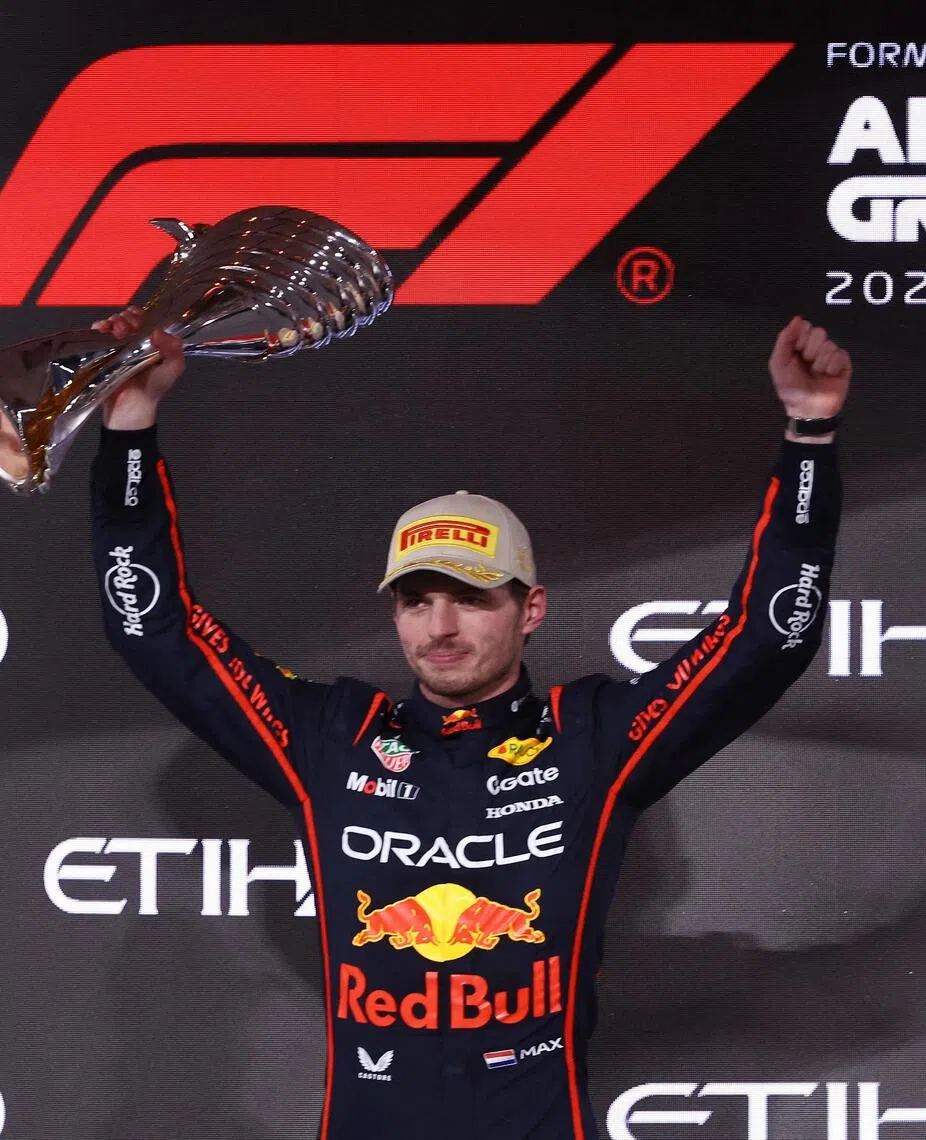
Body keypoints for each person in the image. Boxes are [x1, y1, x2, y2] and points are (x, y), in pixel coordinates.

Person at [90, 307, 849, 1140]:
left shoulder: (593, 738)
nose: (440, 629)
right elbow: (153, 628)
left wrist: (808, 438)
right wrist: (131, 430)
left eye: (471, 599)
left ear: (532, 610)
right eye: (417, 602)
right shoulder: (331, 737)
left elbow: (770, 634)